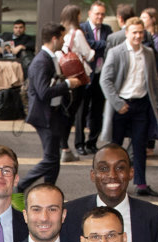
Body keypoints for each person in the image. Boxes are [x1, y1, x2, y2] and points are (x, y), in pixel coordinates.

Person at [61, 144, 158, 242]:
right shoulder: (71, 215)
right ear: (93, 175)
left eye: (120, 168)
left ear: (131, 173)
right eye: (103, 168)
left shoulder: (155, 218)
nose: (112, 175)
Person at [99, 18, 158, 198]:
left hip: (142, 105)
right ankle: (111, 182)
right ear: (127, 33)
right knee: (115, 147)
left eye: (140, 32)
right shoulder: (116, 53)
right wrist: (118, 103)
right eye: (134, 32)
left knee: (140, 146)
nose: (138, 36)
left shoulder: (149, 53)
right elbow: (105, 81)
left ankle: (141, 184)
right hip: (121, 105)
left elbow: (154, 80)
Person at [18, 23, 83, 192]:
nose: (64, 41)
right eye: (62, 38)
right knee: (50, 159)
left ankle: (49, 190)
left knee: (53, 159)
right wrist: (68, 83)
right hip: (44, 116)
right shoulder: (41, 61)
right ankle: (21, 186)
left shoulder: (51, 58)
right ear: (54, 39)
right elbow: (43, 92)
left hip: (54, 115)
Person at [60, 4, 96, 162]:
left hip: (66, 76)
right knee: (72, 113)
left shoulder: (63, 32)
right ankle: (65, 148)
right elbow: (89, 55)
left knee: (66, 112)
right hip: (78, 77)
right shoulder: (77, 33)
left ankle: (63, 146)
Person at [76, 3, 112, 155]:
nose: (100, 17)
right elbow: (87, 45)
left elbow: (108, 45)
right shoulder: (82, 28)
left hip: (101, 75)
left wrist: (95, 46)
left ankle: (92, 143)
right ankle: (79, 144)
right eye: (97, 14)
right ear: (90, 13)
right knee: (82, 111)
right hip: (85, 75)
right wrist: (99, 45)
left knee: (97, 111)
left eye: (102, 14)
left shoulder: (107, 29)